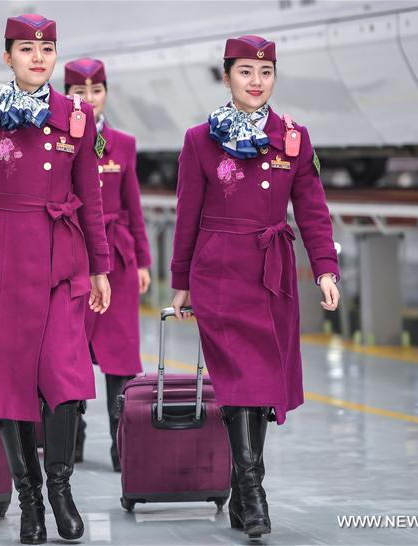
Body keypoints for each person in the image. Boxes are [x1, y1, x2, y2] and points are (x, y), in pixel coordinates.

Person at [0, 14, 111, 545]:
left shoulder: (78, 117)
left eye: (46, 49)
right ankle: (30, 499)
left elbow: (92, 199)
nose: (37, 58)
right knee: (9, 380)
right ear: (7, 56)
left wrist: (101, 267)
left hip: (63, 263)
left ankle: (60, 486)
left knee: (64, 378)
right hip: (1, 260)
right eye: (26, 49)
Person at [170, 35, 341, 539]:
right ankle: (251, 491)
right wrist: (180, 283)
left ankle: (248, 486)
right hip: (218, 270)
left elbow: (312, 209)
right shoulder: (199, 139)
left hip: (273, 275)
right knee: (240, 380)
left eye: (265, 73)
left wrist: (326, 269)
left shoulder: (294, 136)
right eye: (245, 72)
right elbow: (186, 217)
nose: (256, 82)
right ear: (226, 77)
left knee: (260, 382)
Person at [64, 58, 151, 472]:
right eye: (79, 93)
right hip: (74, 256)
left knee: (119, 355)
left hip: (117, 259)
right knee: (71, 349)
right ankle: (71, 437)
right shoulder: (58, 140)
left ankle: (123, 444)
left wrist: (144, 262)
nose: (88, 100)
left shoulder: (125, 144)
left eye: (96, 92)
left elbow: (134, 206)